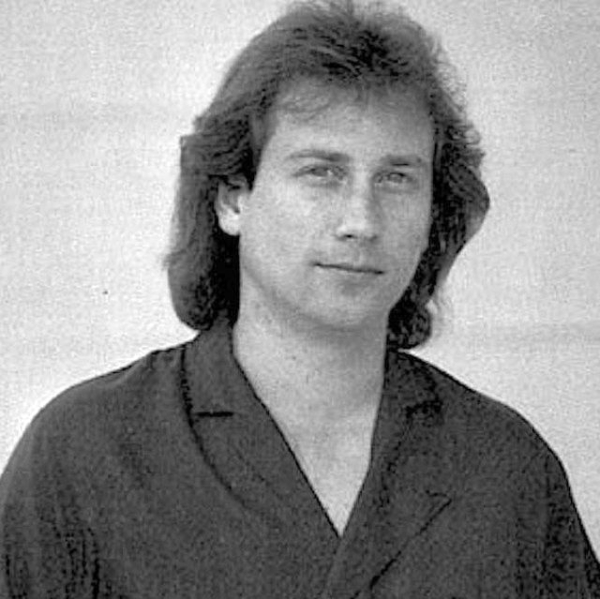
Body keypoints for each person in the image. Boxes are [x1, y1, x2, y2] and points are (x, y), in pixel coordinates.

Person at [1, 0, 598, 596]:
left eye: (396, 178)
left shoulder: (504, 466)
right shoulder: (87, 452)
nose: (361, 221)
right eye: (321, 172)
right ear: (233, 198)